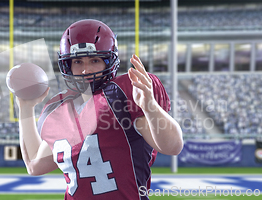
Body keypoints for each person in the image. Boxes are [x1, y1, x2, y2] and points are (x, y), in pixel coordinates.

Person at [16, 19, 183, 200]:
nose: (85, 70)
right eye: (77, 61)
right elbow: (34, 165)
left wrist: (151, 107)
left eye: (95, 60)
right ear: (67, 65)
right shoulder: (59, 109)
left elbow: (173, 146)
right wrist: (25, 109)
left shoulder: (123, 93)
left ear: (109, 61)